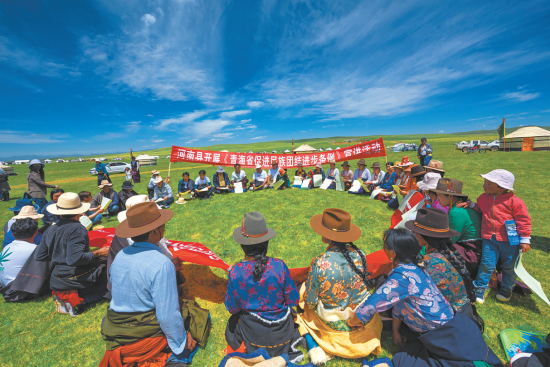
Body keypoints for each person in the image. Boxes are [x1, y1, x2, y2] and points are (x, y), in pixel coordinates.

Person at [347, 229, 503, 367]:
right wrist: (395, 331)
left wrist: (354, 320)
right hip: (455, 329)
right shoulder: (414, 268)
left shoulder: (402, 276)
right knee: (402, 356)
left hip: (450, 338)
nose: (383, 248)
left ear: (393, 253)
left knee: (405, 361)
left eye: (385, 245)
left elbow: (372, 304)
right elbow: (400, 304)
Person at [101, 201, 202, 366]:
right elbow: (167, 315)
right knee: (194, 314)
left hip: (115, 326)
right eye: (162, 225)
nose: (164, 228)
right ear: (155, 231)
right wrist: (182, 343)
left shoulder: (120, 255)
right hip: (144, 330)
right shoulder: (161, 263)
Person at [297, 208, 382, 364]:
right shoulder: (360, 254)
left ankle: (321, 342)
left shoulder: (320, 262)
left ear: (326, 235)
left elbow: (310, 302)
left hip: (332, 320)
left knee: (304, 303)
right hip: (361, 318)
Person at [224, 212, 305, 362]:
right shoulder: (279, 266)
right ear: (266, 243)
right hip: (282, 335)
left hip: (253, 336)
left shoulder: (236, 272)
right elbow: (293, 299)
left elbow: (232, 308)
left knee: (231, 326)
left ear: (243, 246)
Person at [458, 169, 532, 304]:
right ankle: (480, 287)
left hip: (510, 241)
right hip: (489, 239)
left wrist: (525, 239)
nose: (484, 185)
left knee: (509, 265)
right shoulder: (482, 198)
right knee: (487, 264)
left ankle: (507, 287)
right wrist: (472, 204)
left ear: (502, 187)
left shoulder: (515, 202)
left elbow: (523, 220)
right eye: (485, 182)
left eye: (489, 183)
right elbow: (481, 209)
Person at [405, 208, 484, 328]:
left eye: (415, 231)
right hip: (464, 312)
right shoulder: (451, 254)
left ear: (426, 236)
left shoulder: (430, 262)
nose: (411, 232)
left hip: (446, 321)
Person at [35, 193, 110, 316]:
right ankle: (76, 301)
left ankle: (66, 297)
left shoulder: (50, 229)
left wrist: (59, 255)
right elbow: (75, 259)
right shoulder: (77, 228)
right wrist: (98, 252)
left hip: (57, 276)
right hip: (74, 275)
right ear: (79, 211)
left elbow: (40, 256)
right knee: (107, 266)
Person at [0, 218, 39, 287]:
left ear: (13, 234)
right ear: (36, 232)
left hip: (4, 284)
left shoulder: (7, 247)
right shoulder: (34, 249)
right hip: (19, 287)